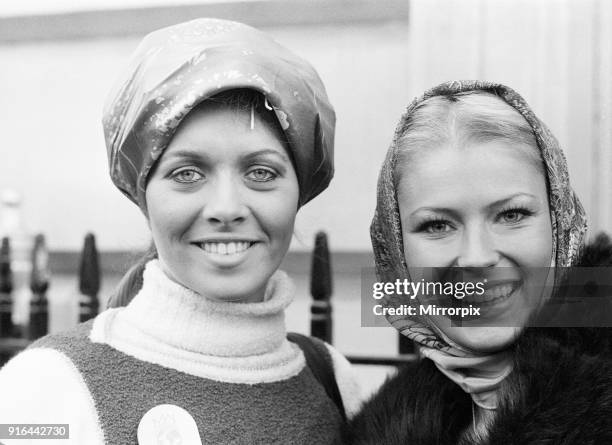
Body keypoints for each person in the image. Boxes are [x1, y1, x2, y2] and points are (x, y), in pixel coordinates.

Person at [0, 19, 361, 444]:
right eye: (187, 173)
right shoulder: (43, 388)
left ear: (300, 191)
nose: (226, 208)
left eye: (261, 172)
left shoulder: (334, 381)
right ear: (142, 193)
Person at [348, 80, 612, 444]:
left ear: (559, 224)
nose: (477, 257)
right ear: (396, 252)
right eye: (437, 225)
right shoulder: (383, 427)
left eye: (511, 215)